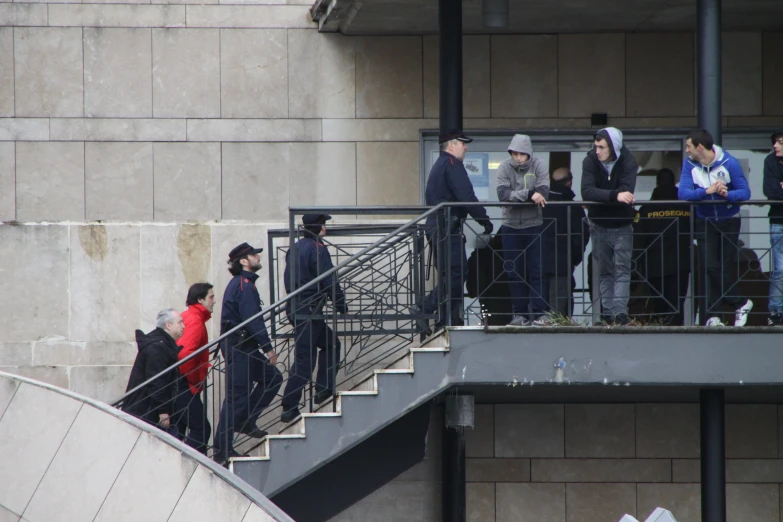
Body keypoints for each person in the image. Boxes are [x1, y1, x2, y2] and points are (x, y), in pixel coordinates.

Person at [214, 243, 283, 463]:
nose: (257, 257)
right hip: (240, 348)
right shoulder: (243, 285)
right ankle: (222, 450)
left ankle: (246, 420)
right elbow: (253, 320)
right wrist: (269, 348)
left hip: (246, 347)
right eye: (254, 255)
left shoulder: (245, 284)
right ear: (244, 261)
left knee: (272, 378)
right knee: (236, 398)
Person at [678, 129, 752, 327]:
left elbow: (745, 192)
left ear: (700, 147)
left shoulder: (729, 163)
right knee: (710, 265)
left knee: (723, 266)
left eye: (689, 146)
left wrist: (727, 194)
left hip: (729, 220)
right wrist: (706, 191)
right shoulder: (690, 165)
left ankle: (716, 313)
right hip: (705, 220)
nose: (687, 151)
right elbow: (683, 193)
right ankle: (736, 305)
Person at [419, 130, 492, 329]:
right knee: (456, 273)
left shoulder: (441, 164)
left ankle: (446, 320)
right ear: (451, 145)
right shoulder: (452, 164)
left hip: (439, 227)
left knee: (449, 274)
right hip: (446, 228)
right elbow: (466, 194)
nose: (466, 147)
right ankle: (425, 307)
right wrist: (484, 219)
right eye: (462, 143)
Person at [281, 214, 346, 423]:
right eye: (324, 225)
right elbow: (328, 278)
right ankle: (290, 407)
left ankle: (323, 389)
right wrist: (340, 303)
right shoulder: (317, 249)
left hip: (299, 308)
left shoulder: (295, 248)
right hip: (308, 311)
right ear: (319, 227)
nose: (325, 229)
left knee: (331, 344)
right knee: (304, 360)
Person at [581, 127, 638, 325]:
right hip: (598, 224)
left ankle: (620, 314)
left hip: (622, 223)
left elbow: (627, 190)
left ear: (613, 147)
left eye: (602, 147)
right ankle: (607, 314)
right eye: (596, 146)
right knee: (604, 270)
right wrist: (615, 196)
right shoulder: (590, 160)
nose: (597, 151)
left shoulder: (628, 161)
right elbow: (587, 192)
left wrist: (604, 196)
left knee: (622, 269)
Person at [496, 134, 551, 326]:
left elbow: (543, 193)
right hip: (510, 226)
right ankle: (519, 314)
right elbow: (502, 195)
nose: (518, 157)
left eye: (522, 154)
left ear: (529, 153)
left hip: (534, 225)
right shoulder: (504, 167)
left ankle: (540, 314)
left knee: (538, 271)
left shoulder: (539, 165)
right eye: (515, 153)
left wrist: (520, 196)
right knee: (514, 272)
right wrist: (528, 194)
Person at [632, 169, 691, 325]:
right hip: (681, 264)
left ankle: (662, 332)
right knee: (677, 306)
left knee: (659, 306)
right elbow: (696, 232)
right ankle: (678, 334)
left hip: (655, 265)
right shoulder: (686, 207)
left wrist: (635, 265)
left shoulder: (647, 209)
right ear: (674, 183)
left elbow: (638, 239)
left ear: (657, 184)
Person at [122, 308, 185, 433]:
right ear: (168, 325)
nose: (183, 326)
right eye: (180, 322)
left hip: (147, 409)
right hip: (147, 411)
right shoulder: (158, 347)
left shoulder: (162, 344)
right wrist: (163, 410)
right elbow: (156, 380)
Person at [172, 283, 215, 454]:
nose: (214, 301)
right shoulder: (195, 320)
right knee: (201, 430)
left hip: (181, 383)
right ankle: (185, 467)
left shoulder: (190, 317)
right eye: (211, 297)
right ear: (200, 299)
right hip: (185, 384)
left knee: (180, 431)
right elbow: (184, 355)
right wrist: (194, 381)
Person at [543, 167, 589, 318]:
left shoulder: (540, 205)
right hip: (562, 265)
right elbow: (581, 236)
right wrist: (574, 259)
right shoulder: (574, 208)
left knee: (539, 313)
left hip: (538, 265)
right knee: (559, 315)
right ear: (569, 182)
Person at [465, 233, 511, 325]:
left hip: (486, 301)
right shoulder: (503, 257)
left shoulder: (474, 259)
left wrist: (476, 292)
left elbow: (471, 288)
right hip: (506, 298)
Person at [763, 129, 783, 326]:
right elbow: (770, 190)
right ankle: (776, 311)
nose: (775, 146)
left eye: (780, 142)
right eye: (775, 142)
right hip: (778, 220)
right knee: (780, 269)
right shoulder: (770, 161)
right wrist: (779, 187)